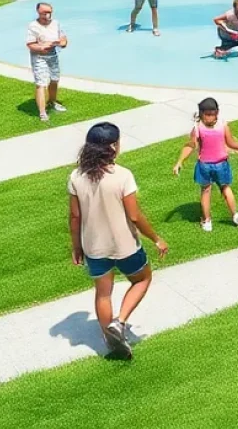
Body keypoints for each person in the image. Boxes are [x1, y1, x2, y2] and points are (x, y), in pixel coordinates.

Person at [68, 121, 169, 360]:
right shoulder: (123, 176)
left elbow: (74, 216)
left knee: (103, 293)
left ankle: (110, 342)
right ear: (113, 146)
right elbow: (134, 216)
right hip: (125, 246)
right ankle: (120, 322)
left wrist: (77, 246)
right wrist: (156, 238)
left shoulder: (76, 176)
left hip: (94, 247)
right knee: (143, 279)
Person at [172, 97, 238, 230]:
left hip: (208, 165)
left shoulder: (203, 127)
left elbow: (230, 143)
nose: (210, 118)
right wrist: (179, 162)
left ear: (217, 113)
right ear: (201, 114)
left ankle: (210, 221)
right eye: (208, 115)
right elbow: (191, 145)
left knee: (211, 190)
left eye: (213, 114)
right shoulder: (217, 125)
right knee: (221, 188)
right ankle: (228, 216)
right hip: (216, 165)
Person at [26, 1, 68, 121]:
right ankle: (42, 112)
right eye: (45, 13)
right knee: (41, 83)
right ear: (39, 12)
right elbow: (30, 44)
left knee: (54, 80)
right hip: (39, 57)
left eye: (49, 12)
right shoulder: (33, 26)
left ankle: (52, 102)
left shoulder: (56, 23)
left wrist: (61, 43)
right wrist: (41, 48)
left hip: (53, 55)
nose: (47, 15)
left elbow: (63, 38)